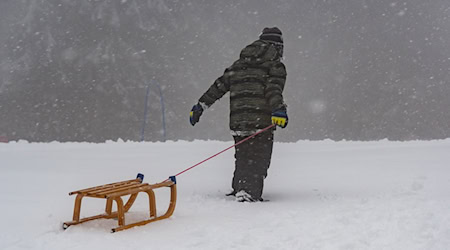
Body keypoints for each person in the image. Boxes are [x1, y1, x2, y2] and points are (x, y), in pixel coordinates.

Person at [190, 27, 288, 202]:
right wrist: (278, 109)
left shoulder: (239, 64)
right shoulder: (274, 65)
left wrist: (200, 105)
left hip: (238, 121)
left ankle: (240, 188)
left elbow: (218, 86)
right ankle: (248, 193)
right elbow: (273, 88)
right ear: (277, 47)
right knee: (259, 159)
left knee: (243, 157)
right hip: (261, 122)